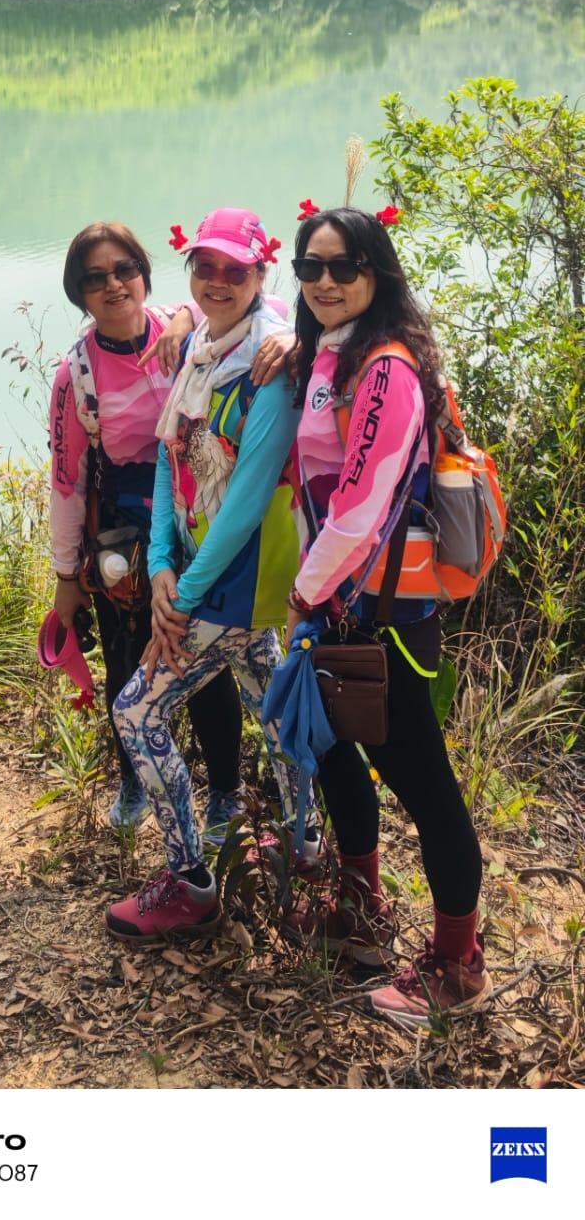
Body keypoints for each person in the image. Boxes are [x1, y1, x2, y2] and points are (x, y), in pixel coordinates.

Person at [284, 204, 489, 1026]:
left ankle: (459, 963)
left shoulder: (386, 370)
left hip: (387, 614)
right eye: (311, 267)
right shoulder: (329, 356)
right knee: (336, 754)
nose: (326, 281)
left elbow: (362, 504)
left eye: (346, 266)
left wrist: (303, 593)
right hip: (343, 608)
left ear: (378, 272)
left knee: (422, 781)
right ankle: (361, 914)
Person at [105, 207, 304, 943]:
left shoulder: (268, 370)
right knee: (274, 710)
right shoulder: (199, 350)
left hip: (237, 581)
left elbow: (245, 504)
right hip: (204, 573)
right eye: (206, 267)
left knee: (137, 713)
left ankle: (191, 882)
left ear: (260, 276)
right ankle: (306, 847)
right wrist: (160, 562)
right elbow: (169, 459)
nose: (218, 281)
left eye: (235, 270)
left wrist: (181, 600)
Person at [49, 221, 244, 846]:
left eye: (124, 269)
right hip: (124, 542)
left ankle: (226, 791)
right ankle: (136, 780)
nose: (113, 285)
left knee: (205, 661)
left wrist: (185, 320)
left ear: (143, 273)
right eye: (95, 278)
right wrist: (65, 576)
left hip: (201, 517)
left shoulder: (189, 329)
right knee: (129, 659)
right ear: (78, 293)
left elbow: (245, 303)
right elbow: (67, 482)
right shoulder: (76, 376)